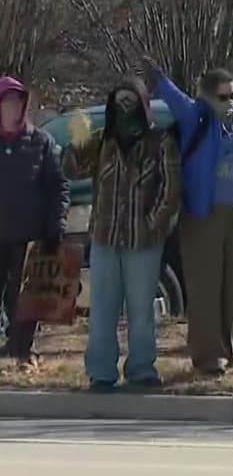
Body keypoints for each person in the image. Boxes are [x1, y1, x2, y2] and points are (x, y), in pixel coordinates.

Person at [143, 58, 233, 377]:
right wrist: (154, 76)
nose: (230, 103)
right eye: (223, 97)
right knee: (206, 284)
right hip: (204, 213)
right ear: (207, 98)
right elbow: (174, 97)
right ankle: (208, 354)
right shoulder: (195, 117)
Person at [62, 79, 181, 392]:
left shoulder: (160, 143)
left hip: (143, 242)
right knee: (102, 308)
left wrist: (152, 224)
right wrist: (76, 141)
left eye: (131, 102)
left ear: (143, 106)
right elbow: (72, 170)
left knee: (142, 309)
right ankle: (101, 371)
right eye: (119, 102)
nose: (125, 109)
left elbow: (170, 193)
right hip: (105, 238)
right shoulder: (103, 142)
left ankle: (142, 369)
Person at [0, 76, 69, 370]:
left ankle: (21, 350)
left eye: (18, 103)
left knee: (26, 298)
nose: (13, 108)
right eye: (7, 103)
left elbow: (59, 186)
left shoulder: (41, 142)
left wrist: (56, 227)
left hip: (29, 234)